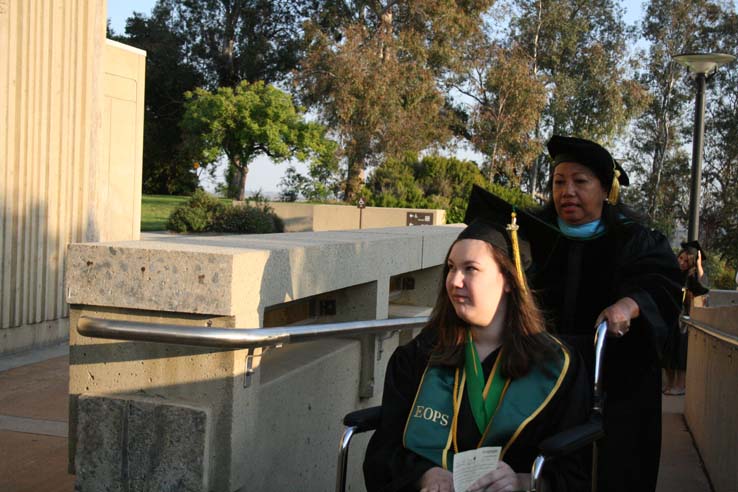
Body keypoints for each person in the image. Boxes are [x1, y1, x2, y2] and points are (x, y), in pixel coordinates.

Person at [363, 213, 591, 492]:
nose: (454, 281)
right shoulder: (419, 356)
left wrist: (522, 482)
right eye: (450, 267)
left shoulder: (555, 365)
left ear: (508, 279)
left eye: (470, 268)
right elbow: (383, 453)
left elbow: (574, 473)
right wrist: (425, 475)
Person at [525, 135, 683, 492]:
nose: (567, 191)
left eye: (580, 182)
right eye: (559, 182)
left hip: (617, 388)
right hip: (546, 381)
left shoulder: (634, 240)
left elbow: (664, 285)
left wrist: (629, 304)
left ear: (605, 190)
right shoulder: (536, 239)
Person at [663, 241, 709, 396]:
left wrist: (699, 265)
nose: (681, 262)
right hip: (669, 318)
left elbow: (703, 291)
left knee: (680, 354)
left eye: (686, 260)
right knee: (668, 354)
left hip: (683, 321)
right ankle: (670, 384)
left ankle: (680, 386)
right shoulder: (673, 274)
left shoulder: (692, 277)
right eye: (680, 258)